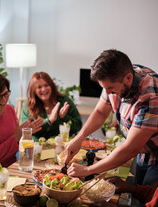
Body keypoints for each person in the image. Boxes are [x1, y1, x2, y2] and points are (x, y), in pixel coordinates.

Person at [66, 49, 158, 187]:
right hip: (143, 152)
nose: (108, 93)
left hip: (156, 155)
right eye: (104, 88)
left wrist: (87, 170)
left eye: (110, 88)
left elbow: (130, 149)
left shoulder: (150, 95)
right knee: (138, 194)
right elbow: (100, 112)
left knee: (150, 199)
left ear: (128, 78)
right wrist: (79, 138)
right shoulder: (116, 77)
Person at [0, 73, 43, 167]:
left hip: (14, 165)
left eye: (6, 94)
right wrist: (16, 137)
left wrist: (24, 135)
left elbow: (16, 145)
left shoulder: (9, 109)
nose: (3, 100)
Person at [21, 72, 82, 140]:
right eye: (39, 87)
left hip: (62, 144)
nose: (43, 89)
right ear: (34, 90)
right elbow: (26, 132)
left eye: (46, 85)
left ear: (52, 86)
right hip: (37, 146)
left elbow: (78, 126)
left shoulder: (64, 101)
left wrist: (64, 118)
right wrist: (49, 121)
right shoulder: (28, 106)